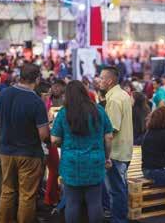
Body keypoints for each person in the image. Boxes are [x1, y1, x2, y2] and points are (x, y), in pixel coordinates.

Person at [50, 80, 113, 223]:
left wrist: (64, 144)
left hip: (71, 163)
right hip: (95, 162)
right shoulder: (98, 110)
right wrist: (107, 157)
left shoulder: (63, 113)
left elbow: (54, 140)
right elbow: (109, 136)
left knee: (72, 203)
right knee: (95, 202)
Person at [0, 63, 50, 223]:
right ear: (37, 79)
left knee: (7, 190)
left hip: (6, 151)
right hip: (29, 154)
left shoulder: (3, 94)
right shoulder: (36, 101)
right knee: (27, 195)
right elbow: (43, 134)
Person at [99, 66, 133, 223]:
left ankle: (119, 219)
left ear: (110, 80)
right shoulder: (123, 95)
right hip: (125, 150)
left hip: (115, 153)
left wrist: (106, 155)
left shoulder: (113, 99)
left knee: (116, 190)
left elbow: (111, 130)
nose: (99, 81)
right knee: (120, 188)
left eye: (101, 78)